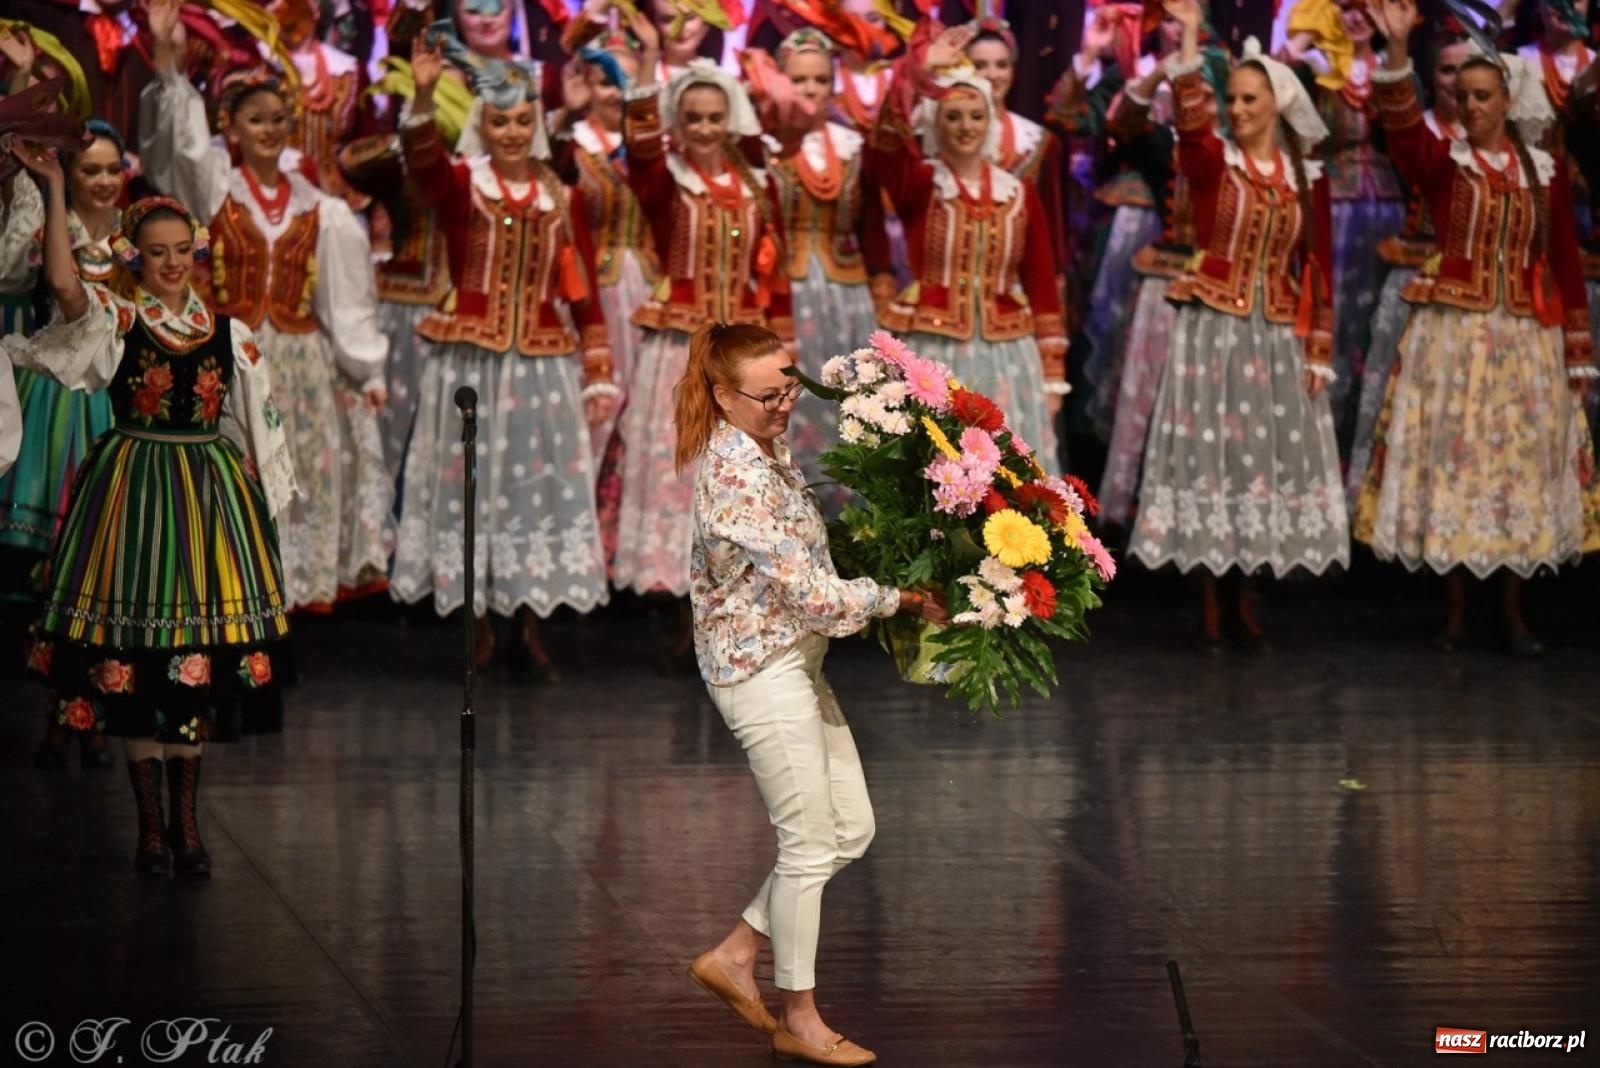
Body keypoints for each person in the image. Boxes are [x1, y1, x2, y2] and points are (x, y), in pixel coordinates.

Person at [2, 170, 295, 878]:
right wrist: (54, 188)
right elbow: (67, 286)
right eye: (154, 252)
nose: (169, 263)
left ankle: (186, 823)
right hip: (133, 499)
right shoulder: (119, 322)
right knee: (131, 660)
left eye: (179, 250)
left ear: (196, 253)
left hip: (206, 502)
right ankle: (150, 830)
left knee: (193, 659)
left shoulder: (231, 333)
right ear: (135, 257)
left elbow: (264, 431)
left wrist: (269, 516)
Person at [677, 321, 947, 1068]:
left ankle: (735, 954)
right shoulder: (736, 476)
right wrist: (900, 597)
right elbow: (818, 599)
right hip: (759, 671)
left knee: (849, 829)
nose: (783, 403)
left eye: (789, 385)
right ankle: (800, 1016)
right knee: (806, 846)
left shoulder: (766, 447)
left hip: (794, 663)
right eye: (767, 395)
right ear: (723, 396)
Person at [1355, 0, 1599, 653]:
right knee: (1456, 466)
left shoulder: (1540, 171)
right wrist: (1400, 52)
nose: (1471, 106)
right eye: (1463, 95)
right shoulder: (1447, 161)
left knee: (1516, 469)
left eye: (1483, 95)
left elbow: (1565, 264)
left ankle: (1514, 611)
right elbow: (1405, 135)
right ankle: (1459, 611)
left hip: (1524, 339)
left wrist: (1578, 350)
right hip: (1456, 338)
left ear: (1508, 97)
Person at [140, 0, 393, 613]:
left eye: (280, 119)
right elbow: (178, 151)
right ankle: (233, 598)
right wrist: (168, 60)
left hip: (300, 366)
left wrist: (367, 370)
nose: (271, 130)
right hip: (232, 361)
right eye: (257, 120)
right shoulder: (216, 190)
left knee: (296, 477)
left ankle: (283, 603)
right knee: (233, 479)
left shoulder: (319, 207)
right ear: (232, 124)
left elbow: (343, 300)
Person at [391, 27, 616, 680]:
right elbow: (423, 163)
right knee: (473, 491)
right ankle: (481, 625)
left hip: (542, 367)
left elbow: (586, 294)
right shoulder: (463, 186)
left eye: (523, 121)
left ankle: (528, 624)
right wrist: (427, 93)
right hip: (472, 364)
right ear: (483, 126)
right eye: (501, 122)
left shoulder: (560, 197)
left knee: (533, 492)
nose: (513, 132)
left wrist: (598, 371)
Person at [1129, 2, 1348, 648]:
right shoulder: (1213, 161)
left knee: (1259, 465)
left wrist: (1319, 347)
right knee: (1210, 459)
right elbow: (1192, 122)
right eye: (1235, 97)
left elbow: (1318, 266)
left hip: (1275, 334)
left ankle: (1246, 592)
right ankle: (1208, 598)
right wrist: (1193, 36)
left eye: (1252, 98)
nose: (1240, 108)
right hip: (1213, 332)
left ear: (1277, 103)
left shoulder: (1306, 178)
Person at [611, 12, 792, 668]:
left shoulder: (756, 184)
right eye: (694, 118)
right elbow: (640, 152)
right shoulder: (667, 182)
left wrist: (783, 356)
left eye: (716, 117)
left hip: (742, 357)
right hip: (681, 350)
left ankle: (737, 611)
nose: (707, 128)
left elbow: (775, 271)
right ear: (679, 122)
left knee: (743, 480)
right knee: (685, 477)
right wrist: (646, 64)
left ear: (731, 116)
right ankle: (688, 610)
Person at [867, 23, 1068, 471]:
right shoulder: (921, 183)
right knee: (935, 467)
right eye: (953, 116)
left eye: (976, 116)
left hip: (1009, 354)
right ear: (936, 123)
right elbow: (883, 145)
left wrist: (1053, 374)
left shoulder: (1017, 192)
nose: (965, 126)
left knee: (1007, 472)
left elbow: (1041, 285)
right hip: (934, 350)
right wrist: (916, 72)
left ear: (991, 121)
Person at [763, 28, 878, 513]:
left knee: (847, 400)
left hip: (846, 294)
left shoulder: (854, 146)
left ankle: (849, 513)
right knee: (793, 396)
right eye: (798, 80)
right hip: (788, 292)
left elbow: (871, 226)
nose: (810, 89)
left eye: (818, 80)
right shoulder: (762, 146)